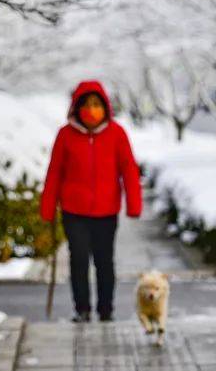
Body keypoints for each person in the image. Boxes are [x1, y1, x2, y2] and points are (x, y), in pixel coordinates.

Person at [39, 80, 142, 322]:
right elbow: (54, 172)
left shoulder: (117, 134)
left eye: (97, 104)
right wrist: (47, 206)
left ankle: (106, 309)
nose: (92, 110)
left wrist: (134, 204)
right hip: (74, 211)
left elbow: (129, 169)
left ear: (105, 107)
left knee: (105, 261)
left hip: (106, 211)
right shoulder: (65, 135)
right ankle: (82, 308)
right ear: (76, 107)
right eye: (86, 104)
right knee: (79, 260)